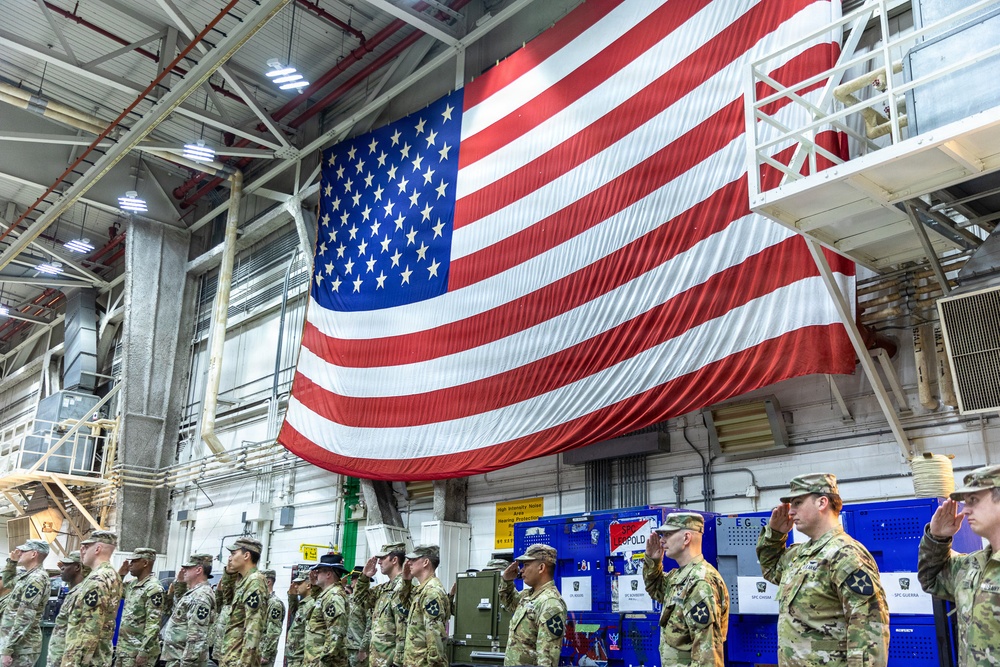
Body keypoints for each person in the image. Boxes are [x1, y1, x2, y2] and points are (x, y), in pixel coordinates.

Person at [757, 473, 889, 667]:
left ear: (822, 502)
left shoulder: (845, 554)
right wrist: (775, 535)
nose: (790, 512)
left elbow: (868, 628)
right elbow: (771, 569)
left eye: (798, 503)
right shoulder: (800, 554)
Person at [918, 463, 1000, 666]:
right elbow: (931, 579)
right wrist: (937, 538)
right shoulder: (972, 565)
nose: (965, 510)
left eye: (973, 500)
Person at [643, 512, 729, 667]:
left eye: (668, 534)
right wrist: (653, 561)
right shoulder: (680, 576)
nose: (662, 540)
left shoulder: (701, 582)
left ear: (687, 538)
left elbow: (707, 655)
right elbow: (655, 589)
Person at [61, 530, 124, 667]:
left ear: (98, 549)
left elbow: (90, 628)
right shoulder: (112, 575)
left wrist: (76, 663)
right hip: (99, 656)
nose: (82, 551)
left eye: (86, 547)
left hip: (87, 659)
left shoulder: (97, 580)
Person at [498, 544, 566, 667]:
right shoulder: (528, 595)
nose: (521, 570)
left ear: (541, 568)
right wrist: (506, 581)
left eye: (526, 565)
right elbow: (509, 603)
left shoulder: (550, 603)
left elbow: (547, 659)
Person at [352, 543, 411, 667]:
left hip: (390, 660)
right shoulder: (384, 588)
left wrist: (398, 662)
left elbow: (403, 628)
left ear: (394, 560)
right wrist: (364, 578)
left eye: (383, 558)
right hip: (378, 659)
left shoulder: (403, 588)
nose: (379, 562)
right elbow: (358, 600)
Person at [0, 539, 51, 667]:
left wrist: (8, 649)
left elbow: (25, 617)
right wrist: (12, 562)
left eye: (23, 551)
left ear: (34, 554)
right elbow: (7, 582)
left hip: (22, 647)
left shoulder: (36, 578)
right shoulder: (27, 576)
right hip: (14, 643)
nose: (19, 553)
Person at [219, 537, 268, 667]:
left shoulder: (255, 581)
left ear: (246, 555)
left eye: (233, 554)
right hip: (231, 656)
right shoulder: (243, 581)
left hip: (239, 660)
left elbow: (254, 626)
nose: (230, 558)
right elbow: (228, 601)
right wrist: (229, 575)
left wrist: (246, 663)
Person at [162, 554, 217, 667]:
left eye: (188, 568)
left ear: (199, 570)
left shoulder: (201, 596)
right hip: (177, 657)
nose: (183, 570)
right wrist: (180, 582)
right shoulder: (194, 593)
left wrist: (187, 663)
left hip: (183, 660)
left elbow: (196, 636)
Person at [401, 545, 450, 667]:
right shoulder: (422, 590)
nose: (408, 563)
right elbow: (405, 604)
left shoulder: (431, 592)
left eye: (413, 560)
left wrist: (434, 664)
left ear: (426, 562)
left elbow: (435, 636)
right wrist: (406, 581)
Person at [117, 548, 164, 667]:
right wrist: (121, 574)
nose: (130, 564)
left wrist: (144, 651)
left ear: (145, 563)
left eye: (134, 561)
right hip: (124, 648)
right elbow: (114, 592)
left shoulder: (153, 588)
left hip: (137, 650)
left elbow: (153, 624)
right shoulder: (132, 584)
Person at [304, 554, 349, 667]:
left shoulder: (334, 597)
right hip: (315, 659)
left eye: (318, 571)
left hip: (324, 662)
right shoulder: (327, 594)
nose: (316, 574)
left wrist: (323, 662)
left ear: (328, 573)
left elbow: (336, 634)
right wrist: (314, 585)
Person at [47, 551, 89, 667]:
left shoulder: (83, 593)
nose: (62, 568)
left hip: (67, 658)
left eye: (66, 565)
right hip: (59, 655)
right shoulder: (73, 592)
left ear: (77, 567)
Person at [285, 573, 316, 667]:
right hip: (294, 655)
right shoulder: (304, 603)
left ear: (308, 585)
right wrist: (292, 596)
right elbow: (296, 618)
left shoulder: (312, 604)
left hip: (301, 657)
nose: (295, 586)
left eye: (299, 584)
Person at [259, 570, 285, 667]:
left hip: (263, 653)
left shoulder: (274, 604)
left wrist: (266, 655)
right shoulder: (262, 601)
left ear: (268, 582)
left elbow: (273, 631)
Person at [344, 566, 369, 667]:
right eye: (352, 577)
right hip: (345, 647)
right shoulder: (348, 598)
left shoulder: (367, 599)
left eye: (356, 577)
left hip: (357, 648)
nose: (352, 580)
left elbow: (370, 626)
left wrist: (363, 648)